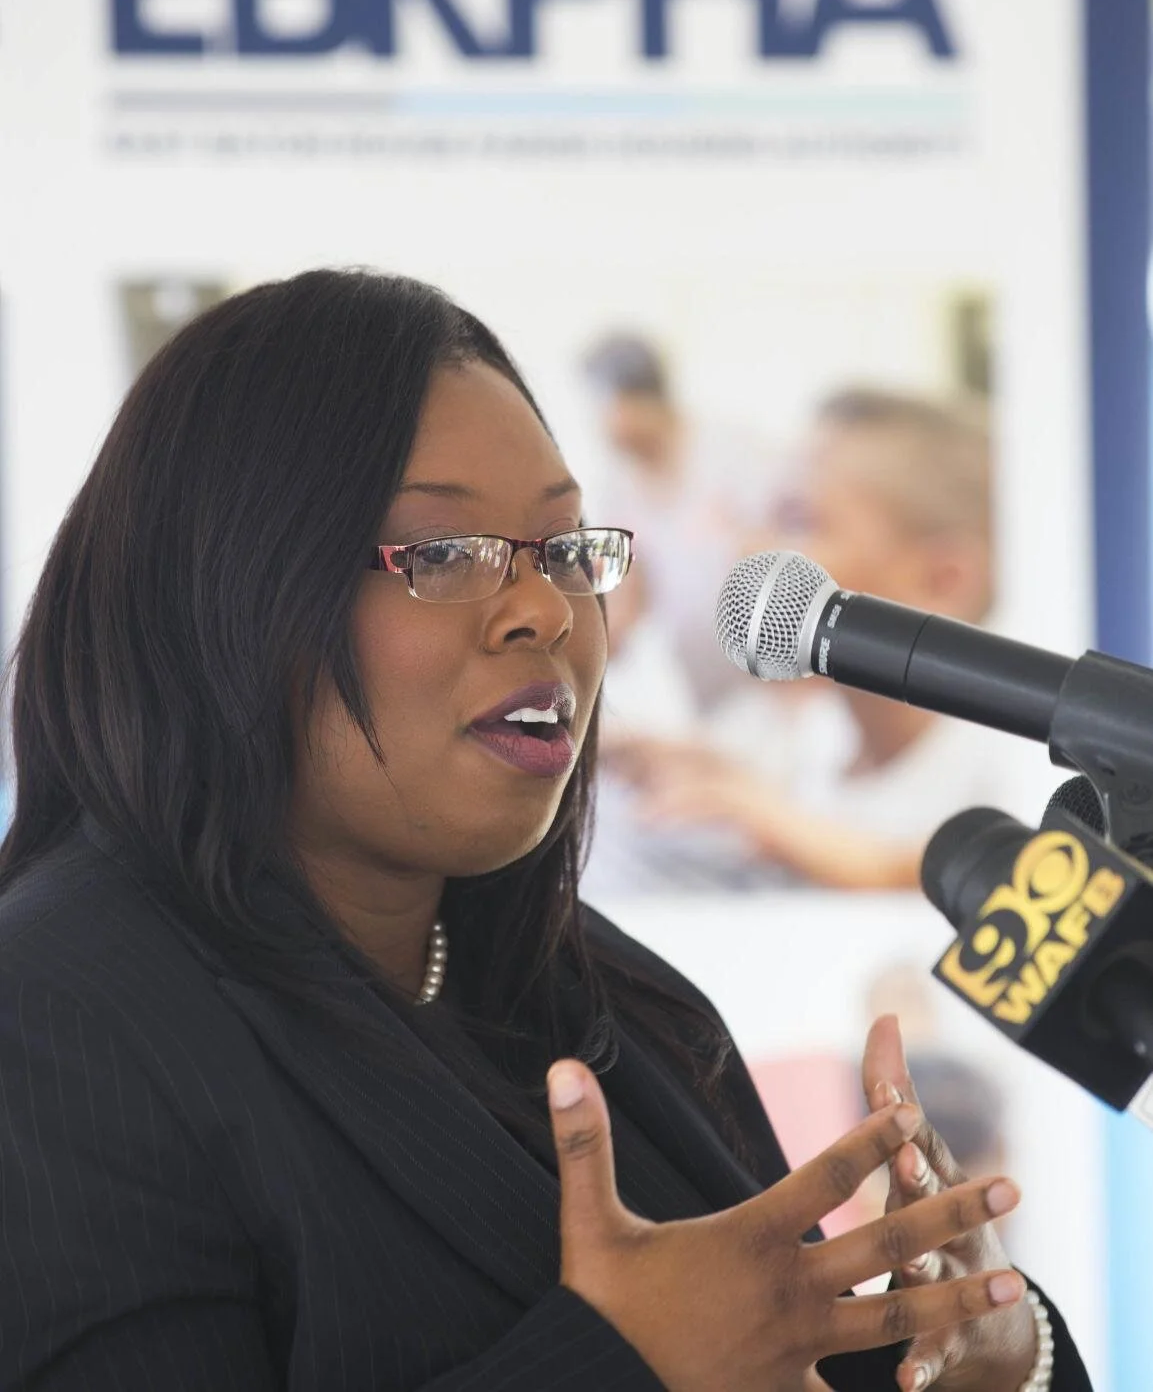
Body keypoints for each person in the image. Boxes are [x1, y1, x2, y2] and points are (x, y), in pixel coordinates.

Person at [0, 271, 1086, 1391]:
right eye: (444, 554)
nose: (547, 609)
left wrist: (988, 1360)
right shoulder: (51, 1016)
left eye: (565, 550)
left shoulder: (610, 1002)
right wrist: (619, 1369)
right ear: (226, 588)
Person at [600, 388, 1033, 893]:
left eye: (799, 521)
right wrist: (712, 774)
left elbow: (949, 873)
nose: (752, 548)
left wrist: (769, 816)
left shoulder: (1004, 757)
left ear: (942, 580)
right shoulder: (812, 732)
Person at [581, 331, 778, 713]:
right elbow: (627, 591)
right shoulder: (618, 485)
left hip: (768, 677)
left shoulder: (733, 454)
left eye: (607, 406)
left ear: (641, 398)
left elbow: (781, 553)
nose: (602, 424)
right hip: (703, 691)